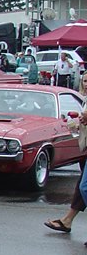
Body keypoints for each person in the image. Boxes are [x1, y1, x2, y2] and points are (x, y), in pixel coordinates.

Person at [44, 71, 87, 235]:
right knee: (82, 186)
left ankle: (67, 221)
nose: (86, 84)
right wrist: (75, 124)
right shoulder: (84, 100)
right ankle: (67, 220)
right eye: (84, 81)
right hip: (85, 147)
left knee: (84, 187)